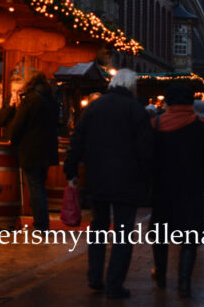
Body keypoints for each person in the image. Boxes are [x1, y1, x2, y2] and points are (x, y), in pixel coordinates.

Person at [64, 69, 152, 299]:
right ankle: (114, 283)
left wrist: (71, 168)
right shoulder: (135, 110)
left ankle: (94, 276)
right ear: (132, 87)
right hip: (127, 179)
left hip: (98, 176)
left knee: (98, 229)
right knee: (123, 233)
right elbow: (145, 149)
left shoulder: (94, 107)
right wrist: (147, 178)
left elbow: (78, 140)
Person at [149, 83, 204, 298]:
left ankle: (161, 275)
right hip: (190, 188)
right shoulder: (198, 126)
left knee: (160, 235)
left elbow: (149, 158)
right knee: (189, 237)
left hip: (163, 188)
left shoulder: (155, 125)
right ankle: (184, 284)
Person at [6, 73, 59, 231]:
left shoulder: (30, 99)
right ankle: (43, 222)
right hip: (47, 149)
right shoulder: (50, 99)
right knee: (39, 186)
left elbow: (18, 124)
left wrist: (13, 139)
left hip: (31, 149)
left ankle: (40, 224)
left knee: (35, 187)